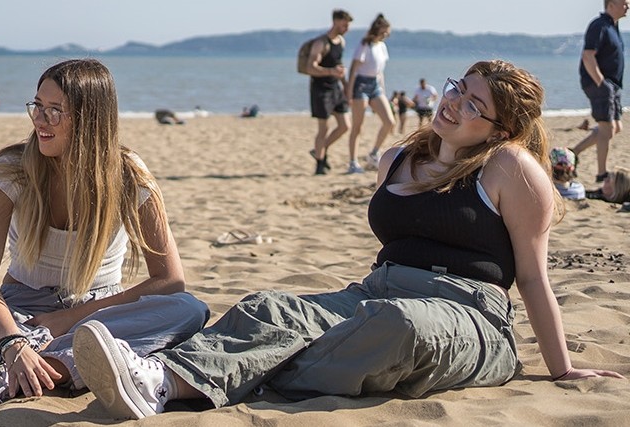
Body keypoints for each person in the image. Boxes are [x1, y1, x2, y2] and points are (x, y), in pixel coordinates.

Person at [75, 60, 626, 421]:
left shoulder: (511, 167)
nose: (453, 103)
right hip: (375, 290)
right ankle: (160, 381)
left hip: (469, 315)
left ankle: (238, 372)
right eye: (458, 88)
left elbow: (532, 278)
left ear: (500, 130)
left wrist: (561, 370)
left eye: (473, 105)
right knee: (270, 308)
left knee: (396, 328)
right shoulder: (397, 159)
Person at [0, 59, 209, 411]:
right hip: (22, 309)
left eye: (55, 111)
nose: (40, 119)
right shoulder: (12, 169)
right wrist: (13, 342)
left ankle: (4, 378)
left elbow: (169, 280)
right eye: (37, 106)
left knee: (188, 309)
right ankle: (50, 366)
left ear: (89, 120)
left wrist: (66, 320)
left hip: (98, 312)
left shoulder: (128, 175)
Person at [575, 0, 627, 183]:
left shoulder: (613, 26)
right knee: (606, 129)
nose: (628, 7)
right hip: (599, 84)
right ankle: (601, 174)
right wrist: (600, 83)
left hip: (613, 85)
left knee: (615, 128)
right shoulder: (599, 25)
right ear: (611, 4)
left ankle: (574, 152)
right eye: (625, 4)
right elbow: (588, 55)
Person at [345, 13, 396, 174]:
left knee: (390, 122)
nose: (387, 34)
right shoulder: (365, 45)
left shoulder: (382, 46)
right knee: (357, 126)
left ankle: (374, 153)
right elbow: (353, 70)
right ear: (379, 29)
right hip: (360, 85)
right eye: (386, 31)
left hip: (375, 85)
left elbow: (380, 72)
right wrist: (349, 92)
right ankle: (353, 162)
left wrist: (384, 92)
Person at [308, 9, 354, 175]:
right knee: (323, 128)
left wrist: (346, 87)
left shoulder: (341, 41)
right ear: (335, 21)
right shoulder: (321, 43)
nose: (346, 29)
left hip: (336, 89)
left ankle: (320, 149)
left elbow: (339, 66)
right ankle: (319, 165)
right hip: (320, 90)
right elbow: (311, 67)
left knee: (345, 125)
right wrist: (331, 72)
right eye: (344, 25)